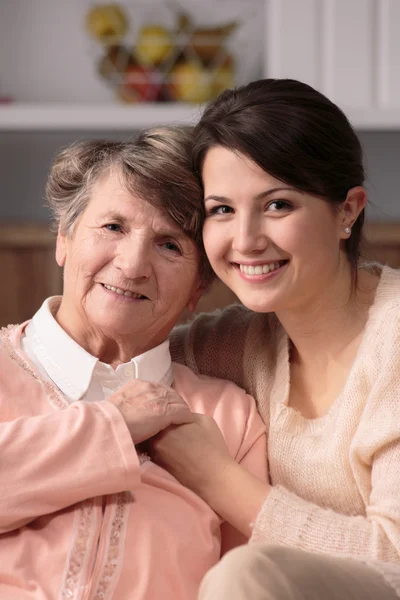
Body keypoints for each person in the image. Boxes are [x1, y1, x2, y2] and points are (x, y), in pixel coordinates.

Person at [148, 79, 400, 600]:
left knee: (245, 576)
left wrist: (218, 479)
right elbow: (106, 363)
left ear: (347, 210)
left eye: (278, 204)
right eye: (222, 210)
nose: (245, 240)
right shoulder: (231, 344)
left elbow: (394, 557)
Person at [0, 127, 267, 600]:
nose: (133, 264)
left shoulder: (232, 418)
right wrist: (114, 426)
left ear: (198, 289)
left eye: (169, 245)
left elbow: (250, 580)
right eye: (113, 227)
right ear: (64, 238)